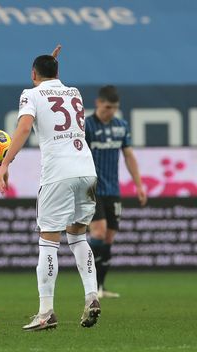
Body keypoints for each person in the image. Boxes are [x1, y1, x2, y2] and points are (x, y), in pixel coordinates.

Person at [0, 52, 101, 331]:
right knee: (78, 237)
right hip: (87, 170)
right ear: (57, 70)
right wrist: (49, 64)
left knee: (48, 241)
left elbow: (24, 127)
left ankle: (46, 312)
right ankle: (92, 295)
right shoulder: (75, 92)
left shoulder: (30, 94)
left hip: (58, 174)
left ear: (33, 74)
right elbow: (53, 87)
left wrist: (5, 162)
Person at [85, 85, 147, 298]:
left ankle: (100, 287)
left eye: (114, 108)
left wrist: (139, 185)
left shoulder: (121, 126)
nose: (110, 111)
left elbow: (129, 155)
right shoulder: (86, 126)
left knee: (109, 238)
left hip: (113, 190)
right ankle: (90, 284)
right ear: (98, 103)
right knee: (99, 232)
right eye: (107, 107)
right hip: (90, 189)